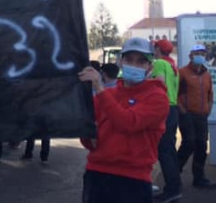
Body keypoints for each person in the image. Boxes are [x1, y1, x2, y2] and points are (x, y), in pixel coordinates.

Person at [78, 37, 168, 203]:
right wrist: (88, 135)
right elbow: (88, 136)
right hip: (96, 174)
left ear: (150, 67)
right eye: (129, 59)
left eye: (141, 61)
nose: (134, 65)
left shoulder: (158, 98)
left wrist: (99, 88)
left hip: (133, 179)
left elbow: (128, 123)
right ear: (120, 62)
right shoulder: (107, 96)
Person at [177, 44, 214, 189]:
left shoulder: (206, 74)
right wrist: (182, 110)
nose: (200, 56)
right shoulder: (182, 73)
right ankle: (174, 173)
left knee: (201, 145)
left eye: (203, 54)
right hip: (187, 114)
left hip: (202, 115)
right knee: (189, 143)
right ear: (190, 56)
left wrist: (209, 107)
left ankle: (199, 178)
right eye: (197, 53)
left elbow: (210, 93)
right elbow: (174, 92)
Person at [151, 39, 182, 202]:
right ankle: (175, 187)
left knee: (164, 151)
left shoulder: (159, 64)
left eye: (155, 47)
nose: (153, 49)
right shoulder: (172, 65)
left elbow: (159, 85)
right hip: (173, 109)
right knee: (169, 150)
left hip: (164, 109)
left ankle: (172, 190)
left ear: (158, 49)